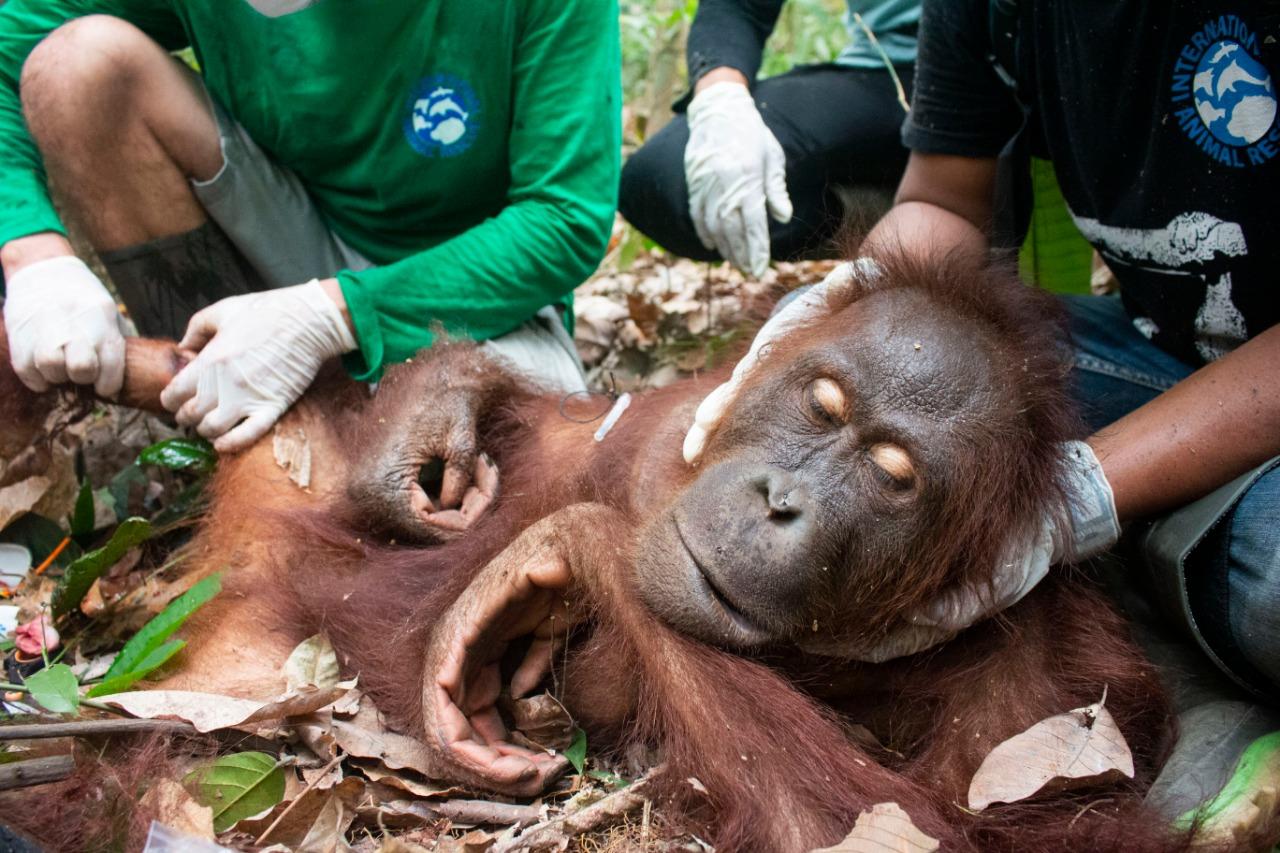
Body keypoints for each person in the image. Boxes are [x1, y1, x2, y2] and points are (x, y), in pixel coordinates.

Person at [690, 0, 1280, 837]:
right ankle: (1159, 597)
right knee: (859, 381)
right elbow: (943, 201)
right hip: (1162, 349)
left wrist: (1087, 491)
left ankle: (1168, 652)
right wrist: (850, 298)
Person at [0, 0, 620, 463]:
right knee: (77, 67)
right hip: (286, 234)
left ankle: (304, 435)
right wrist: (33, 255)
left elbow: (562, 220)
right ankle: (210, 403)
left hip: (477, 300)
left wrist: (334, 314)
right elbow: (9, 41)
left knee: (511, 478)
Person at [619, 0, 918, 278]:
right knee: (665, 175)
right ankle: (887, 221)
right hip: (886, 72)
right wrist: (720, 98)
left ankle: (942, 221)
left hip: (964, 84)